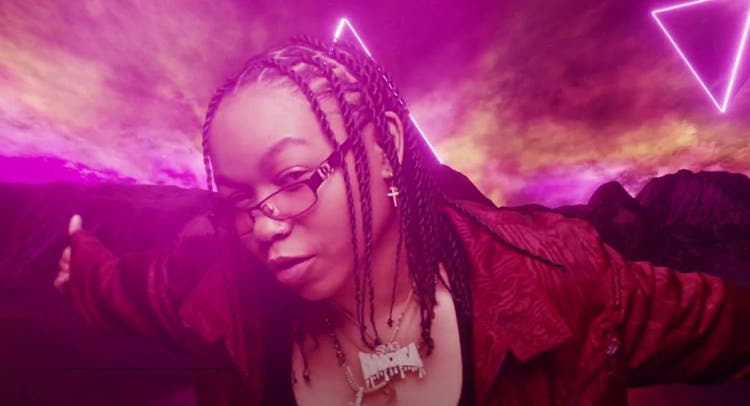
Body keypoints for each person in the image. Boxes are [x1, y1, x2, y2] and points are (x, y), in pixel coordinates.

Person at [55, 36, 750, 406]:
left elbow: (720, 327)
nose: (262, 226)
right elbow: (123, 289)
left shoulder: (564, 278)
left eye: (294, 179)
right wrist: (79, 261)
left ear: (386, 147)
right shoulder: (215, 290)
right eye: (238, 199)